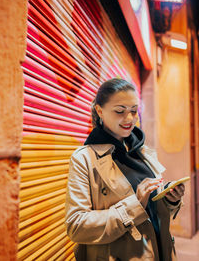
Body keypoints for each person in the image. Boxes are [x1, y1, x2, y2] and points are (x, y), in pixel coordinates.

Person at [65, 78, 185, 261]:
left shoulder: (143, 152)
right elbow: (76, 226)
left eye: (134, 111)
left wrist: (169, 200)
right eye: (120, 111)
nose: (129, 119)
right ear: (100, 111)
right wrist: (134, 204)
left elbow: (152, 212)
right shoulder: (84, 159)